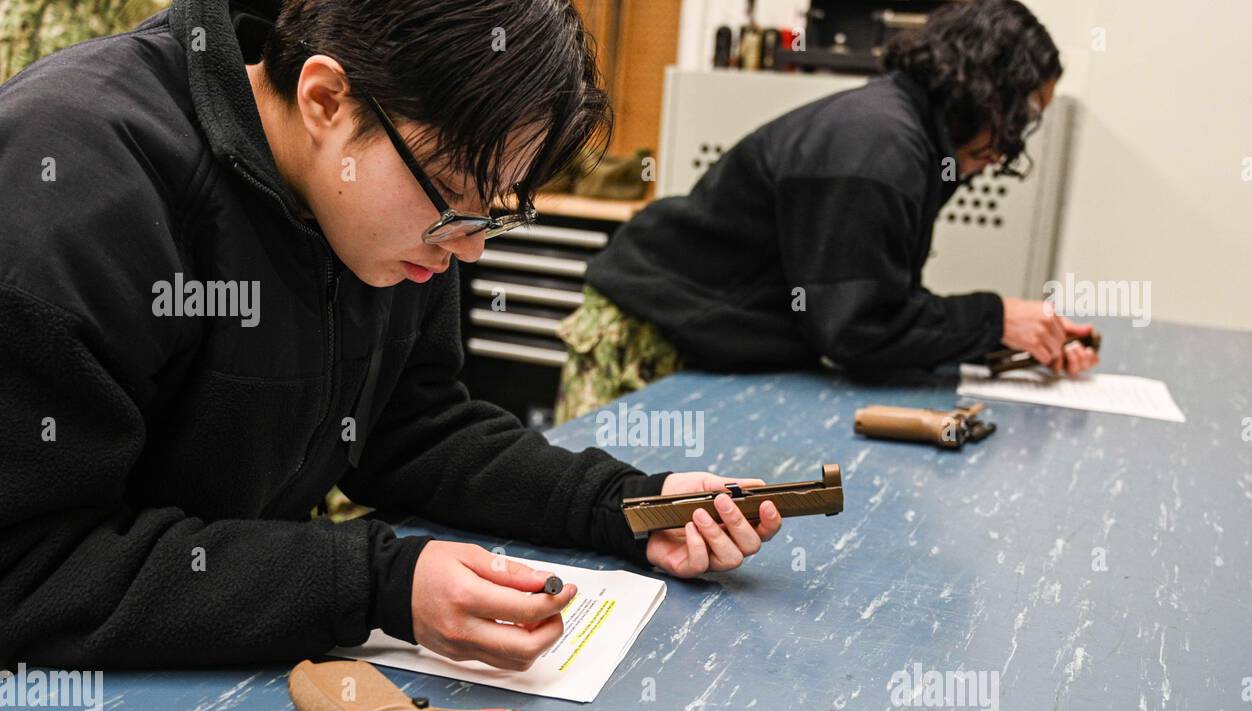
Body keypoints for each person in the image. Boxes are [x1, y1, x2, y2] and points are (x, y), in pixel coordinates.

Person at [0, 0, 782, 672]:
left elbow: (412, 431)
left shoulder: (393, 205)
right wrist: (376, 584)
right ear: (327, 98)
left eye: (495, 212)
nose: (470, 248)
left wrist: (626, 506)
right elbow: (28, 568)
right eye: (452, 199)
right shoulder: (78, 179)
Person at [555, 0, 1098, 424]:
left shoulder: (915, 139)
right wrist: (997, 318)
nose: (1015, 140)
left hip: (707, 342)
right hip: (648, 337)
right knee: (606, 535)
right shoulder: (880, 142)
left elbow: (879, 304)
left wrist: (1013, 339)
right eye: (1023, 113)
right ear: (985, 85)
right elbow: (859, 331)